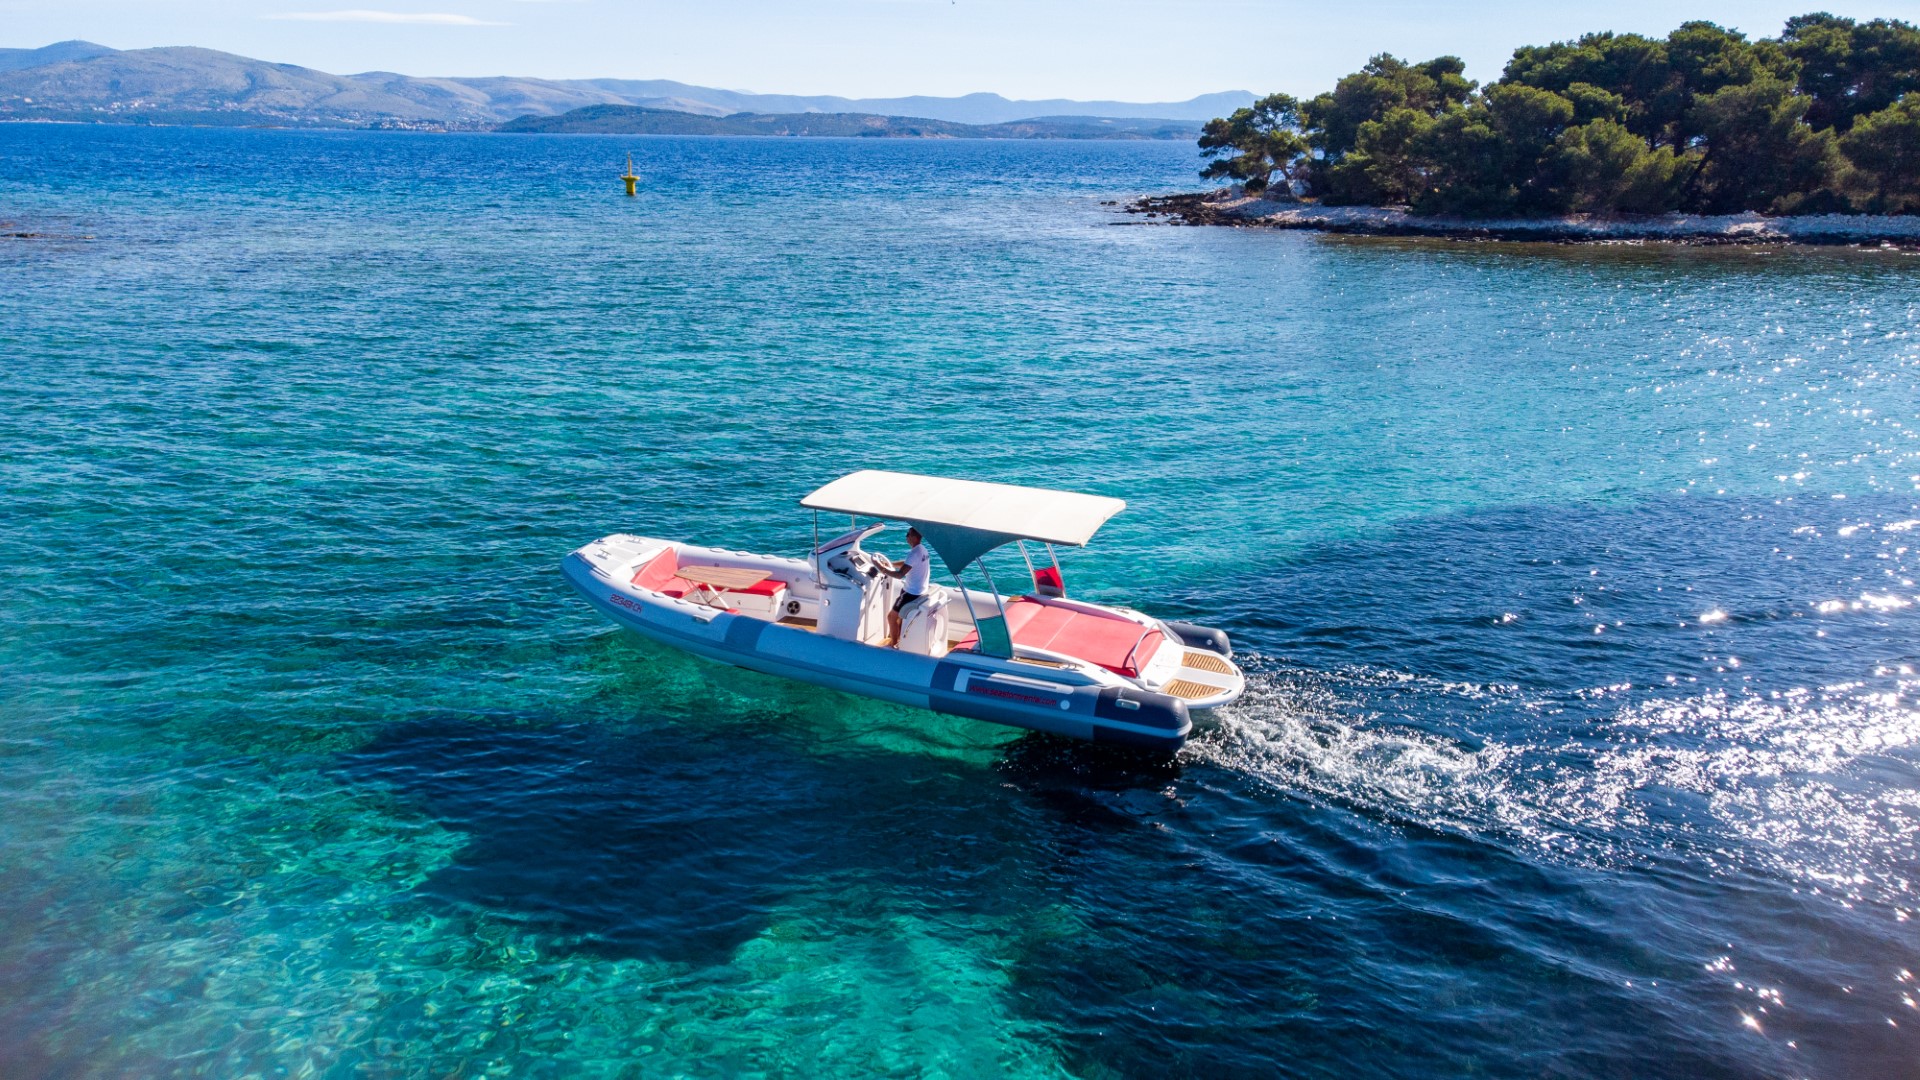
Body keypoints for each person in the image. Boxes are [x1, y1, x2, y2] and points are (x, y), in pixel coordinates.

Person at [880, 526, 931, 648]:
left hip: (910, 593)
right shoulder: (922, 550)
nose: (906, 537)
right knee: (900, 617)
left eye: (908, 535)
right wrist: (889, 564)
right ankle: (899, 640)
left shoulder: (914, 553)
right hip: (920, 590)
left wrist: (882, 568)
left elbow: (899, 575)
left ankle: (893, 644)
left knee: (891, 617)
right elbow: (907, 564)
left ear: (914, 537)